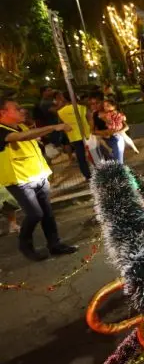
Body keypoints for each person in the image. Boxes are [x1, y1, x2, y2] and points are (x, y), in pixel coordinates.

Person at [0, 98, 78, 261]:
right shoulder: (2, 131)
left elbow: (30, 137)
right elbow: (21, 137)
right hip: (20, 180)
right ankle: (25, 245)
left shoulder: (21, 126)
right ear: (3, 113)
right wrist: (54, 127)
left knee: (47, 213)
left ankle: (55, 244)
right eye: (17, 108)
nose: (22, 110)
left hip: (38, 176)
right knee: (35, 214)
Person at [55, 92, 92, 180]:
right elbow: (90, 119)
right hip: (87, 134)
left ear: (64, 99)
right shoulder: (82, 107)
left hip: (74, 136)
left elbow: (62, 125)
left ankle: (87, 175)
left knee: (81, 157)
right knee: (93, 153)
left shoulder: (60, 112)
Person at [89, 93, 126, 163]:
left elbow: (125, 126)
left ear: (103, 101)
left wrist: (116, 131)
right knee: (109, 165)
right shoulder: (95, 114)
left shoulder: (113, 112)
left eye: (97, 103)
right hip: (103, 142)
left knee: (119, 164)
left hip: (115, 139)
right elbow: (92, 131)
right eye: (92, 104)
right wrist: (105, 132)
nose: (95, 106)